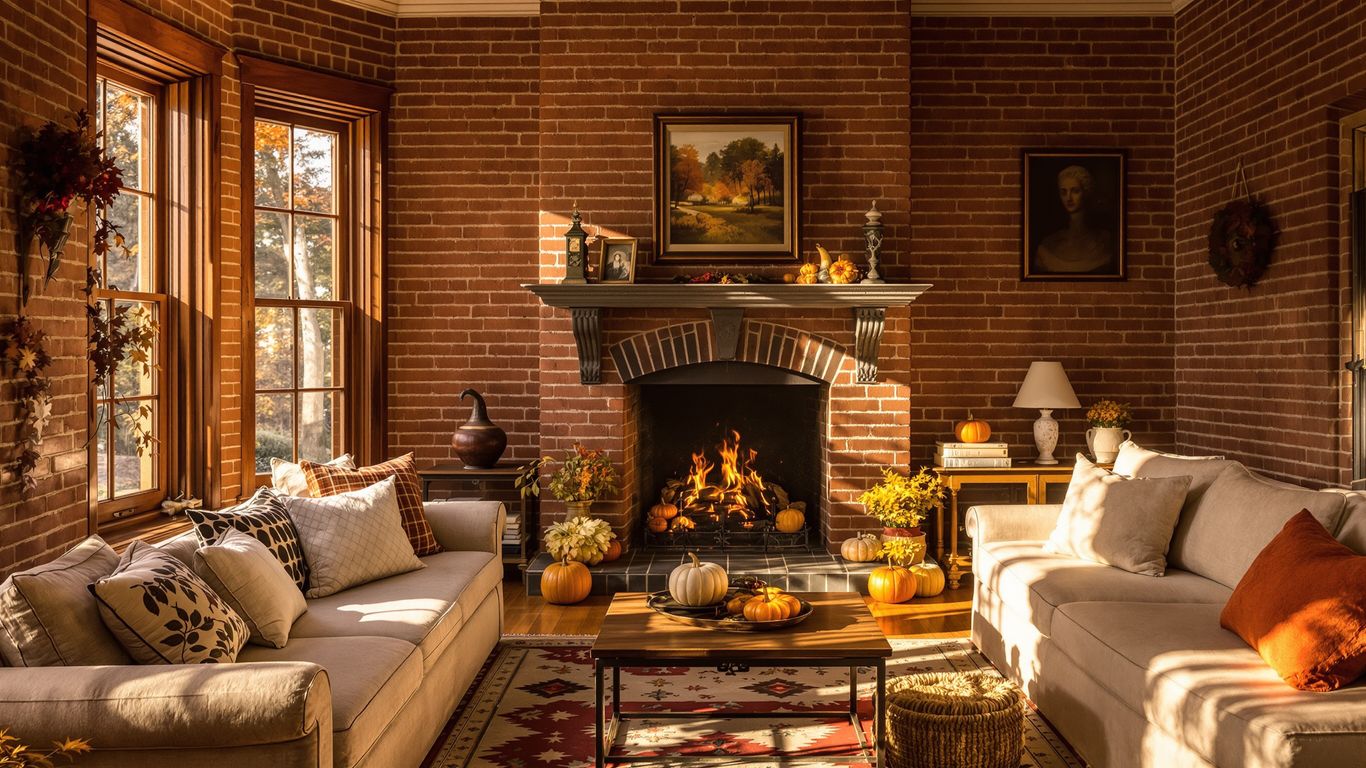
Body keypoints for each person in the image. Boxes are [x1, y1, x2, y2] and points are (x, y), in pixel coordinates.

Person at [1034, 164, 1114, 275]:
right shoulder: (1049, 243)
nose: (1069, 198)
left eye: (1075, 191)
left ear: (1085, 192)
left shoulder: (1105, 240)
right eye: (1063, 192)